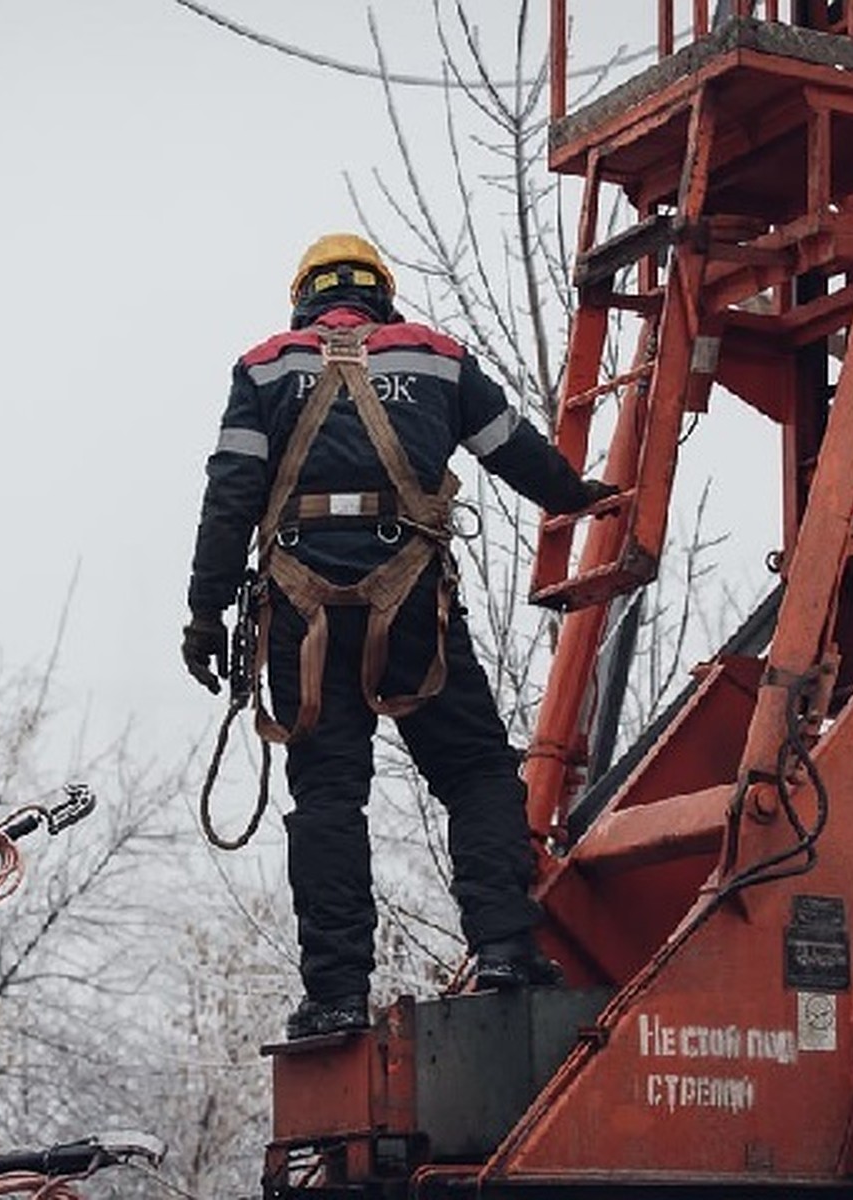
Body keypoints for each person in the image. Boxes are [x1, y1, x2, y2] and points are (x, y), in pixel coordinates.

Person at [181, 233, 617, 1039]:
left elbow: (231, 494)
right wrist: (580, 494)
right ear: (382, 294)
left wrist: (206, 614)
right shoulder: (436, 357)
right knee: (477, 772)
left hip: (302, 615)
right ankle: (505, 949)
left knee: (329, 798)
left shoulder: (264, 367)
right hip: (412, 600)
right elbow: (513, 452)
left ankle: (338, 994)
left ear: (303, 295)